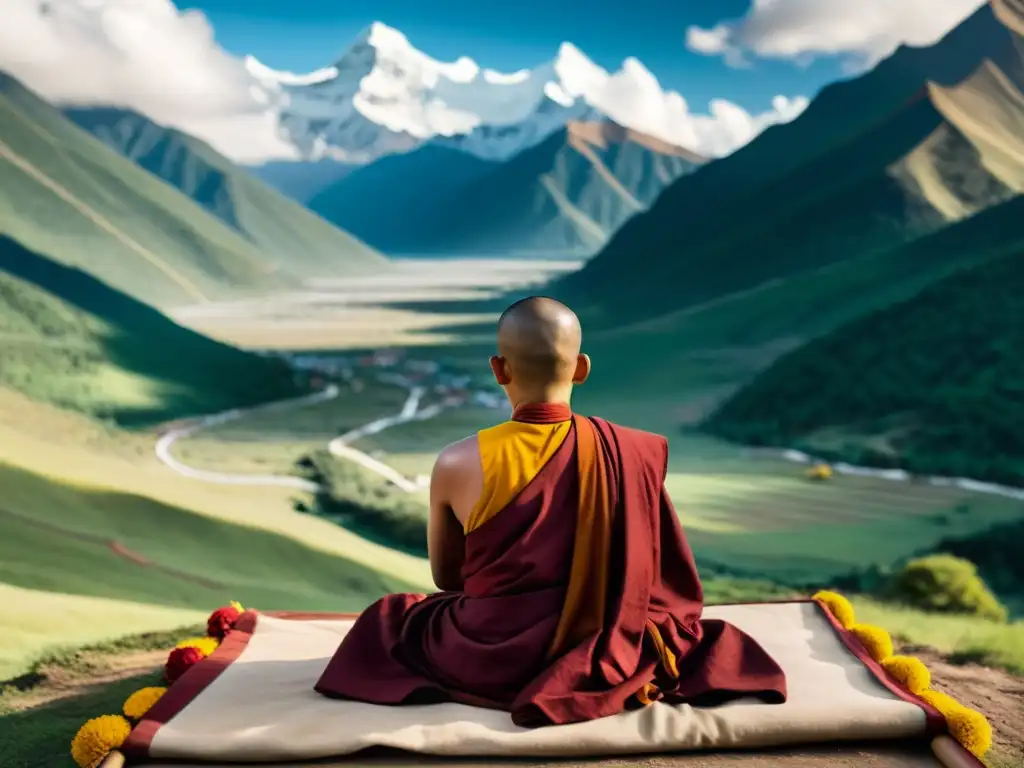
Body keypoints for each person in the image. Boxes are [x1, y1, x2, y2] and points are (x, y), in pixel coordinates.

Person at [315, 296, 786, 726]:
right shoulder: (631, 452)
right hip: (608, 647)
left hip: (487, 654)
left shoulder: (457, 461)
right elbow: (658, 578)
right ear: (581, 368)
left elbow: (448, 579)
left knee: (393, 618)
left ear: (499, 370)